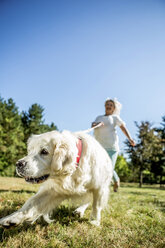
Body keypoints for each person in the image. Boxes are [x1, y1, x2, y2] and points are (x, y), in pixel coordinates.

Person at [92, 98, 135, 192]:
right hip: (99, 148)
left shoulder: (115, 118)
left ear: (114, 108)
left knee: (109, 167)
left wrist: (130, 138)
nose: (108, 106)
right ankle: (114, 180)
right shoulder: (99, 117)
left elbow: (123, 128)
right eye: (107, 104)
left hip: (112, 147)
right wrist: (97, 124)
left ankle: (108, 185)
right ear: (105, 106)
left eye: (111, 105)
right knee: (100, 167)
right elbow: (93, 125)